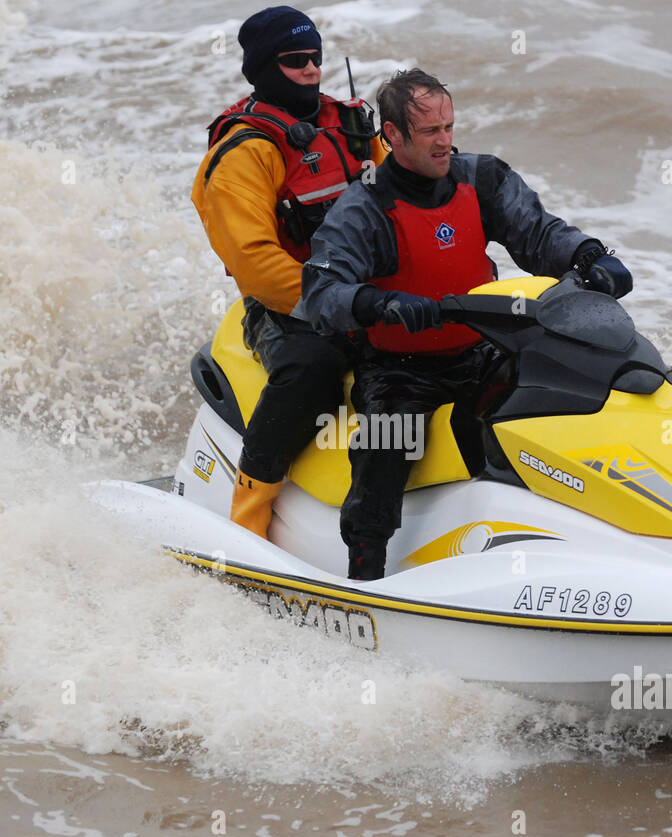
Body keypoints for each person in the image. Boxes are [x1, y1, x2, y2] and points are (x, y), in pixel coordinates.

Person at [296, 68, 633, 580]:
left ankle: (578, 544)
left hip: (484, 351)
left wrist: (589, 256)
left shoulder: (481, 178)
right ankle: (365, 573)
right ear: (393, 135)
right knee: (385, 449)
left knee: (568, 397)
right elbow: (321, 291)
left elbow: (538, 233)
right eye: (431, 132)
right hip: (399, 369)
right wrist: (375, 304)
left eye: (449, 128)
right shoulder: (364, 208)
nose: (445, 142)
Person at [191, 6, 387, 540]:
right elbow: (255, 263)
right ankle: (248, 517)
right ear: (262, 69)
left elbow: (402, 202)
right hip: (287, 308)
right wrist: (337, 303)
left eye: (316, 58)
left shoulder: (350, 125)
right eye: (295, 60)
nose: (311, 70)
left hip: (369, 293)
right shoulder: (244, 151)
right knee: (313, 371)